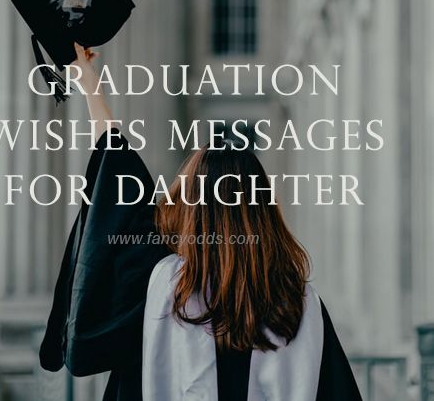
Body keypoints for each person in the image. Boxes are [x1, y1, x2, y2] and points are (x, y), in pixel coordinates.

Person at [39, 43, 362, 401]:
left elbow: (117, 180)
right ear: (263, 212)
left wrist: (89, 82)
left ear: (190, 208)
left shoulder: (160, 287)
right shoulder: (297, 303)